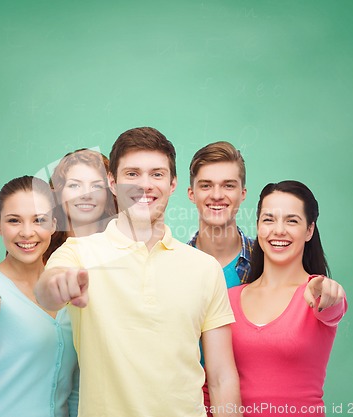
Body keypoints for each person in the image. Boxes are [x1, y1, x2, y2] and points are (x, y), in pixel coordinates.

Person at [35, 127, 243, 417]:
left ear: (173, 184)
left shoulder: (205, 268)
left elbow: (221, 376)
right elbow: (46, 291)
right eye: (132, 174)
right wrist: (59, 285)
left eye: (156, 174)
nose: (144, 185)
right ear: (112, 182)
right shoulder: (78, 253)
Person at [0, 176, 79, 417]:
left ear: (54, 224)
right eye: (14, 221)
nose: (27, 233)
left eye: (39, 220)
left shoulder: (66, 285)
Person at [228, 180, 347, 417]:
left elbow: (333, 306)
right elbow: (213, 382)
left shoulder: (317, 293)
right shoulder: (229, 298)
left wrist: (329, 292)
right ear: (258, 226)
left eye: (292, 220)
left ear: (309, 230)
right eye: (269, 219)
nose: (278, 230)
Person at [187, 141, 253, 414]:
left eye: (228, 185)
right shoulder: (174, 268)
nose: (217, 195)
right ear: (191, 193)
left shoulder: (268, 263)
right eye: (206, 185)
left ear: (242, 193)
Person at [44, 148, 117, 262]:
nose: (86, 195)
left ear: (108, 195)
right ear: (58, 194)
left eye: (97, 186)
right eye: (74, 185)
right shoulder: (40, 250)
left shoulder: (126, 249)